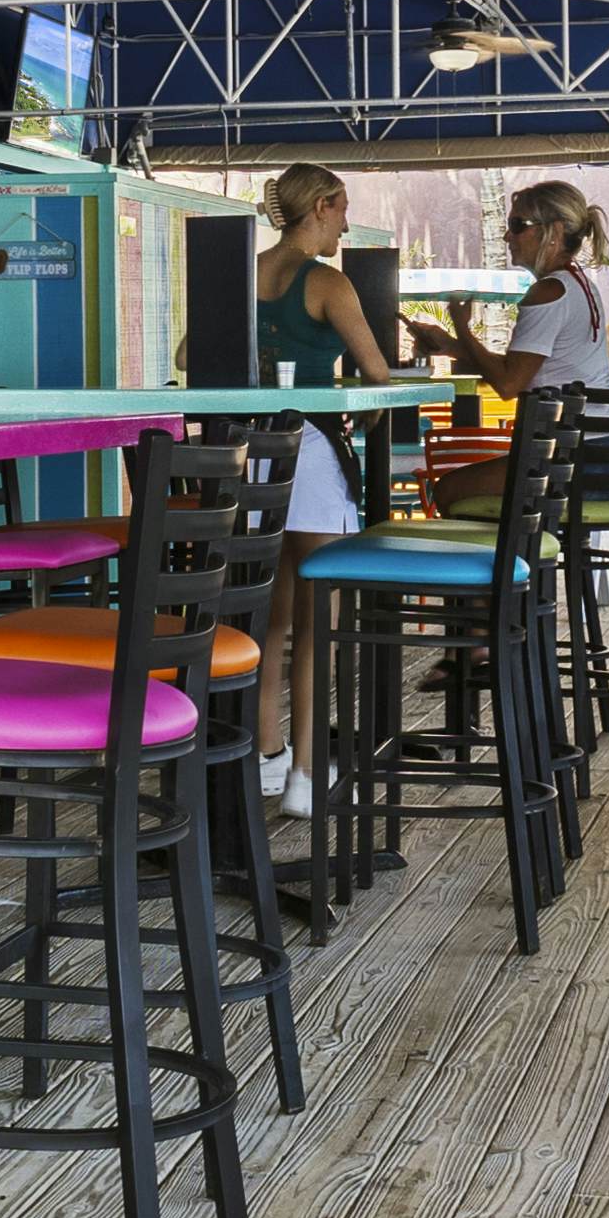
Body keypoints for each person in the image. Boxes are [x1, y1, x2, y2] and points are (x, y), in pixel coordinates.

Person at [251, 165, 415, 815]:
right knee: (320, 620)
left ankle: (266, 757)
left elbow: (187, 355)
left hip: (251, 456)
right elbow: (377, 374)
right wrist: (364, 418)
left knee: (270, 616)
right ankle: (306, 775)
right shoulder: (327, 282)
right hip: (314, 452)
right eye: (343, 209)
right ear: (320, 206)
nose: (346, 223)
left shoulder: (243, 274)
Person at [427, 177, 609, 521]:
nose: (508, 236)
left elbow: (508, 384)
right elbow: (526, 369)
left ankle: (513, 557)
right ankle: (523, 553)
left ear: (554, 231)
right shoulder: (580, 285)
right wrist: (452, 346)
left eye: (518, 225)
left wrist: (462, 328)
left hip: (574, 460)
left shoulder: (548, 291)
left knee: (448, 489)